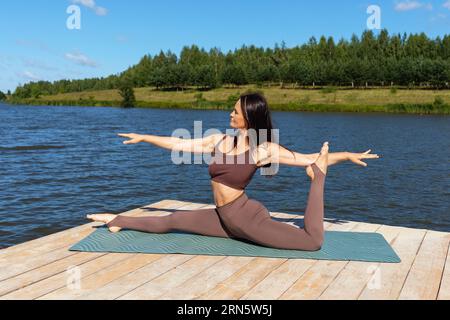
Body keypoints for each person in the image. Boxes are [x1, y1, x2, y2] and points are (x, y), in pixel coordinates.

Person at [87, 93, 379, 251]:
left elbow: (310, 158)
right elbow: (179, 143)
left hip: (246, 218)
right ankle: (117, 220)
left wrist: (345, 155)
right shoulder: (219, 140)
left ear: (248, 118)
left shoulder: (263, 150)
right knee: (173, 219)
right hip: (224, 217)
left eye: (235, 112)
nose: (230, 114)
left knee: (312, 242)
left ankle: (320, 180)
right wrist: (145, 136)